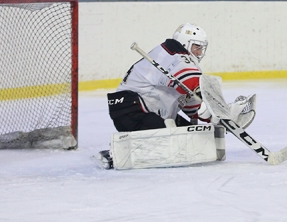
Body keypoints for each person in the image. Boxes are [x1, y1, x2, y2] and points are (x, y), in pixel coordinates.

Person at [100, 24, 256, 168]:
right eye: (196, 47)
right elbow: (193, 83)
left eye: (202, 48)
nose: (200, 52)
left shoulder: (180, 60)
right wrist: (220, 112)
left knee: (196, 138)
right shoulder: (174, 53)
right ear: (184, 43)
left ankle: (129, 149)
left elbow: (192, 104)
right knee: (170, 137)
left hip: (145, 112)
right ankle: (118, 154)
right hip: (132, 110)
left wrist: (213, 120)